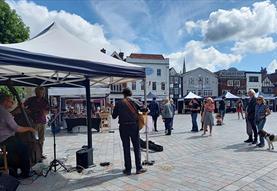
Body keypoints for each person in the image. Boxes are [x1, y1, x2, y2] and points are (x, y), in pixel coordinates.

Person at [112, 88, 147, 175]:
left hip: (123, 127)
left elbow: (114, 116)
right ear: (130, 94)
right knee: (136, 147)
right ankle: (138, 168)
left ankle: (128, 170)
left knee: (126, 148)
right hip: (133, 126)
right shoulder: (135, 101)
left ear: (123, 94)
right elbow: (145, 109)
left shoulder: (119, 103)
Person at [0, 93, 36, 178]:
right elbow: (17, 128)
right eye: (10, 101)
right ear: (5, 101)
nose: (12, 103)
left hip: (2, 140)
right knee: (24, 149)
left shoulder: (3, 112)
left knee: (13, 154)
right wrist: (30, 129)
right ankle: (25, 173)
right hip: (6, 139)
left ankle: (13, 171)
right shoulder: (5, 113)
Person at [24, 86, 49, 159]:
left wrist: (43, 112)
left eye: (41, 92)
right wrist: (28, 111)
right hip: (32, 122)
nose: (40, 94)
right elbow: (23, 106)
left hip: (42, 122)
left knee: (41, 139)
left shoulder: (45, 101)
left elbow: (47, 111)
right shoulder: (30, 100)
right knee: (31, 138)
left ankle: (40, 153)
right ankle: (31, 153)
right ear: (35, 92)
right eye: (38, 92)